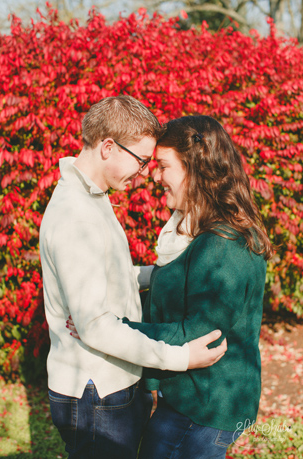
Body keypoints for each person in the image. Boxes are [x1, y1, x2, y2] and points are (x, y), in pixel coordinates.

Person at [38, 96, 226, 459]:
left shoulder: (93, 198)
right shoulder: (75, 216)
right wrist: (181, 357)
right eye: (141, 161)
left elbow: (114, 275)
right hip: (97, 393)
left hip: (114, 383)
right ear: (108, 147)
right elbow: (95, 327)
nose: (144, 174)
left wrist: (173, 273)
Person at [123, 115, 271, 458]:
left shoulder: (222, 246)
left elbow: (199, 334)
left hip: (205, 409)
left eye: (163, 166)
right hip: (190, 400)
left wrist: (116, 331)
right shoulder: (197, 230)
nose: (154, 176)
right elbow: (173, 286)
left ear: (195, 167)